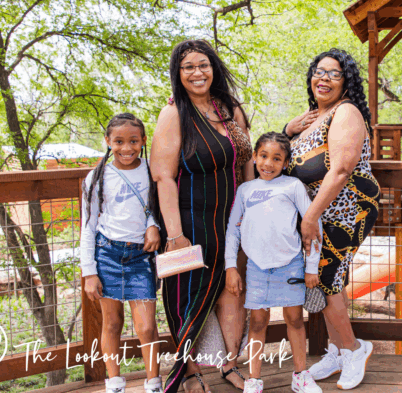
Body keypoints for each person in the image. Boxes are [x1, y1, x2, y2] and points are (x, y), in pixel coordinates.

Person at [151, 40, 253, 393]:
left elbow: (247, 161)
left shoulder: (229, 110)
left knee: (231, 291)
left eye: (203, 65)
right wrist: (175, 235)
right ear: (178, 75)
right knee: (187, 297)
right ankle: (190, 371)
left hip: (230, 220)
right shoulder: (173, 114)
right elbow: (163, 176)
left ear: (214, 68)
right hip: (189, 222)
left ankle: (230, 364)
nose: (197, 72)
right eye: (188, 67)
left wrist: (251, 213)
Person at [284, 49, 380, 390]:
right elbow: (282, 160)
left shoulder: (347, 111)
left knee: (326, 279)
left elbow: (340, 169)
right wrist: (286, 129)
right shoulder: (312, 117)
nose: (324, 78)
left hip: (347, 209)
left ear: (346, 82)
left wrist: (309, 217)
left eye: (334, 74)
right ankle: (338, 350)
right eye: (319, 72)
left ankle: (355, 349)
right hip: (318, 215)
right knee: (323, 280)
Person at [224, 132, 323, 393]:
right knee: (257, 323)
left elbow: (314, 226)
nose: (268, 163)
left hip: (290, 265)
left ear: (285, 162)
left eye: (276, 159)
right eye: (263, 156)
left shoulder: (292, 186)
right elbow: (232, 231)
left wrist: (311, 267)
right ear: (255, 156)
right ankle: (254, 380)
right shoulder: (246, 190)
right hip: (256, 268)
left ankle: (301, 375)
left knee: (295, 320)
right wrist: (230, 267)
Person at [80, 113, 162, 393]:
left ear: (143, 141)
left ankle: (153, 382)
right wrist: (88, 272)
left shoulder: (151, 170)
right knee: (112, 323)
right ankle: (114, 381)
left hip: (141, 257)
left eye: (133, 141)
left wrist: (153, 225)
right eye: (119, 141)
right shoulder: (97, 176)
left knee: (147, 326)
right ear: (107, 141)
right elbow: (88, 225)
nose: (126, 148)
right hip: (107, 254)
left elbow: (157, 207)